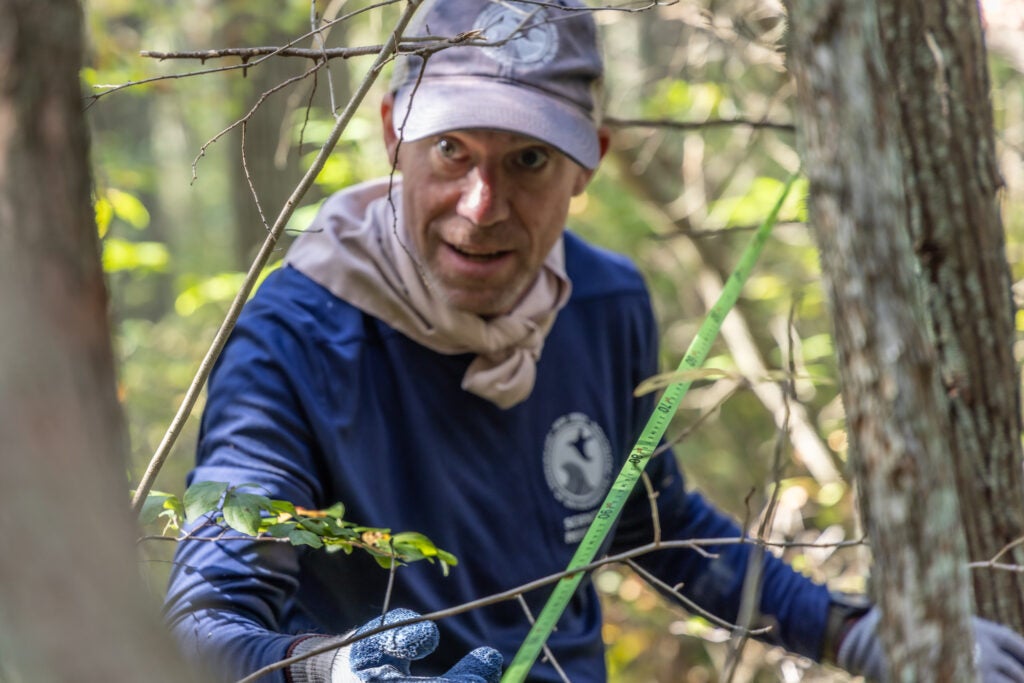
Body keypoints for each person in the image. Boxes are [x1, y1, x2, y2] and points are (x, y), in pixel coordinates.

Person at [163, 1, 1024, 681]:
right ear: (394, 133)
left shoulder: (605, 304)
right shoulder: (296, 337)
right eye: (452, 149)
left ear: (589, 162)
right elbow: (202, 623)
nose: (481, 205)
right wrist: (329, 671)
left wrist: (858, 632)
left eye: (529, 160)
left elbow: (657, 524)